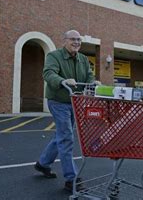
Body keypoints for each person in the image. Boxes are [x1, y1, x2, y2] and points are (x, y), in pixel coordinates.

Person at [34, 29, 98, 193]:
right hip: (58, 101)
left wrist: (93, 82)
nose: (76, 42)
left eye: (79, 40)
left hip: (74, 102)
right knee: (66, 137)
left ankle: (43, 164)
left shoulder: (83, 59)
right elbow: (48, 73)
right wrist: (63, 81)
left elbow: (89, 75)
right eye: (73, 39)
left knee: (61, 136)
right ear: (65, 40)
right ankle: (72, 179)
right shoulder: (54, 56)